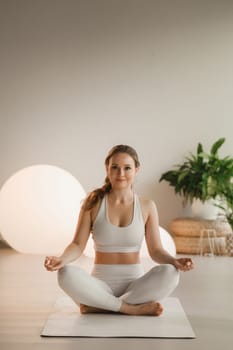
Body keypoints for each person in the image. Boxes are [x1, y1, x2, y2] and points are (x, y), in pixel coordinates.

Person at [44, 144, 194, 316]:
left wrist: (174, 261)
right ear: (107, 168)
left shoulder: (147, 206)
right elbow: (77, 245)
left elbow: (156, 250)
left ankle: (99, 305)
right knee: (65, 273)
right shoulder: (93, 203)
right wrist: (61, 259)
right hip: (99, 284)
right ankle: (129, 308)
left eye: (127, 168)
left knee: (171, 273)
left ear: (137, 169)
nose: (120, 174)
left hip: (135, 286)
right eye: (115, 167)